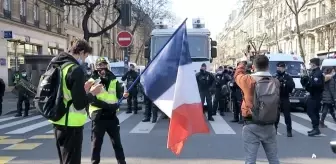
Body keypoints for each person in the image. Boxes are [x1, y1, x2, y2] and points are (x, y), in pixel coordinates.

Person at [49, 39, 103, 164]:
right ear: (81, 52)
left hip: (57, 119)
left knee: (64, 160)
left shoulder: (59, 65)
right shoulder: (75, 69)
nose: (85, 60)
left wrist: (82, 88)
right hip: (71, 123)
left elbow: (65, 90)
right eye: (86, 56)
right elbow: (79, 104)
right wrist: (92, 93)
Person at [235, 56, 280, 164]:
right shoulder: (275, 82)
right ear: (268, 66)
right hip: (269, 123)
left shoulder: (248, 80)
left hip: (251, 121)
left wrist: (242, 63)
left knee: (250, 159)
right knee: (273, 158)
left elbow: (237, 75)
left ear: (253, 67)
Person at [88, 57, 127, 164]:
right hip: (98, 116)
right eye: (99, 65)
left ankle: (122, 162)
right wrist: (108, 106)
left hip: (111, 116)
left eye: (104, 64)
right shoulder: (92, 80)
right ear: (96, 67)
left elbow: (118, 94)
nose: (102, 67)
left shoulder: (113, 79)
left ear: (107, 66)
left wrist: (124, 95)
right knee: (96, 145)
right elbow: (92, 100)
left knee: (117, 144)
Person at [301, 58, 324, 136]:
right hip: (313, 95)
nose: (310, 65)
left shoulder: (317, 73)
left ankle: (316, 128)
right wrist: (305, 82)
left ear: (314, 64)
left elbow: (317, 85)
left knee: (310, 111)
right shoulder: (314, 72)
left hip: (315, 96)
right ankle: (315, 128)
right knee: (315, 112)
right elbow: (310, 84)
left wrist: (309, 83)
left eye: (310, 64)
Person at [274, 62, 295, 137]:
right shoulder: (275, 76)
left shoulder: (288, 77)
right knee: (276, 115)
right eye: (277, 68)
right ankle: (275, 129)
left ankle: (289, 130)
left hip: (285, 97)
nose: (278, 69)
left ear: (283, 68)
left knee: (287, 115)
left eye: (279, 68)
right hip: (277, 97)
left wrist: (285, 82)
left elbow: (292, 86)